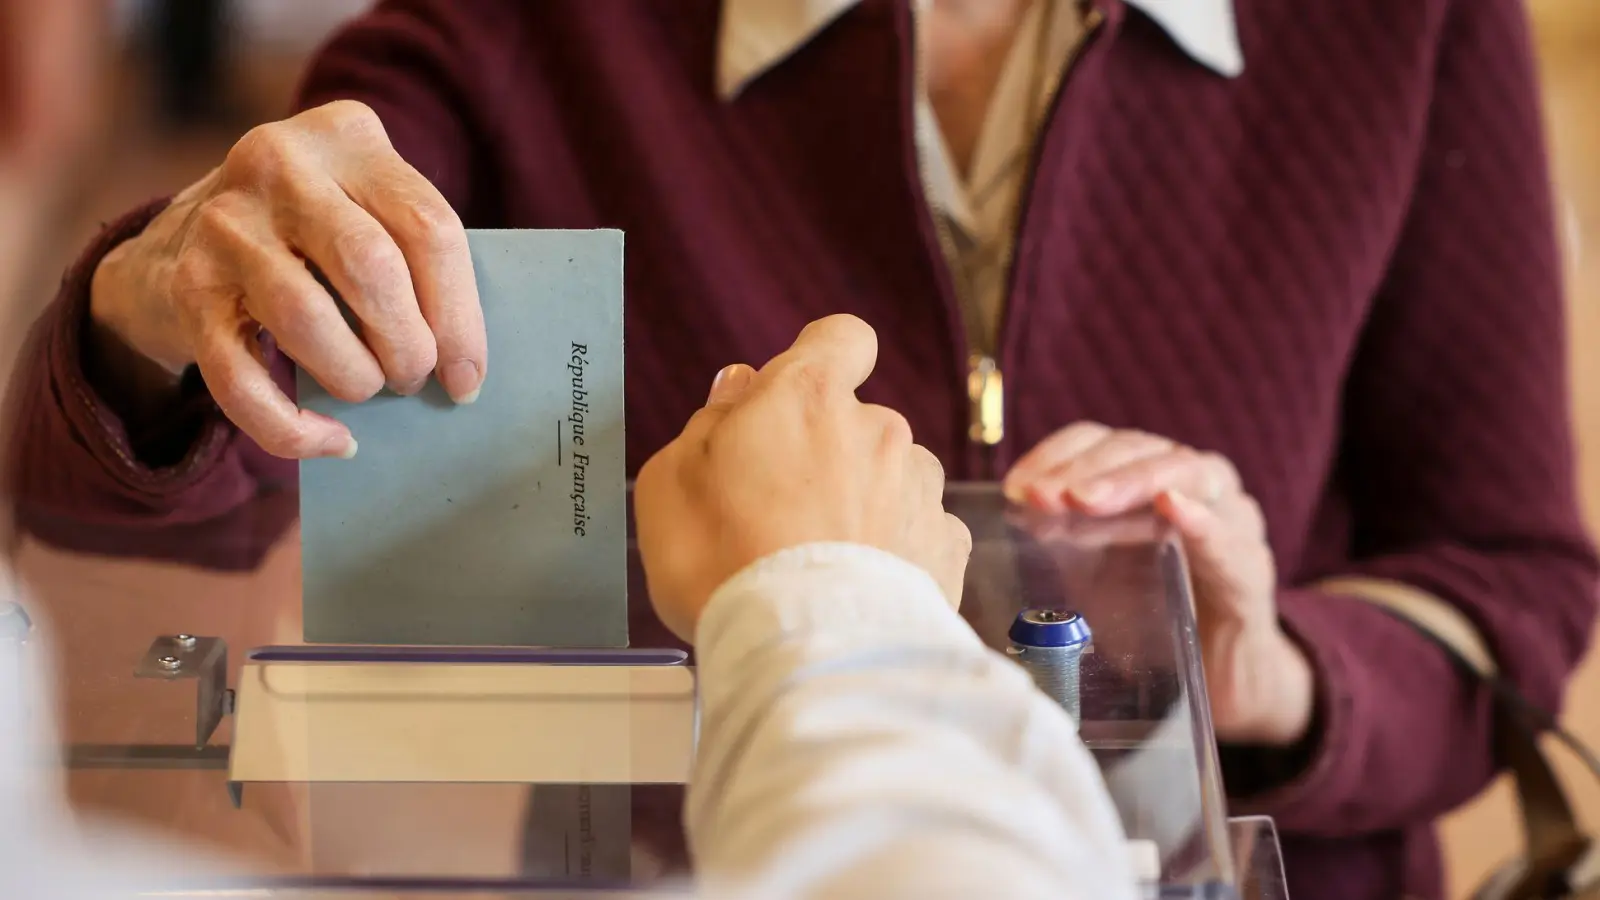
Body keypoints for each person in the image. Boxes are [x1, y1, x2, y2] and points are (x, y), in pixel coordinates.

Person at [5, 1, 1595, 898]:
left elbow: (1512, 592)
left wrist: (1280, 679)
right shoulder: (513, 34)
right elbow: (148, 500)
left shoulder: (1405, 29)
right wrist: (158, 310)